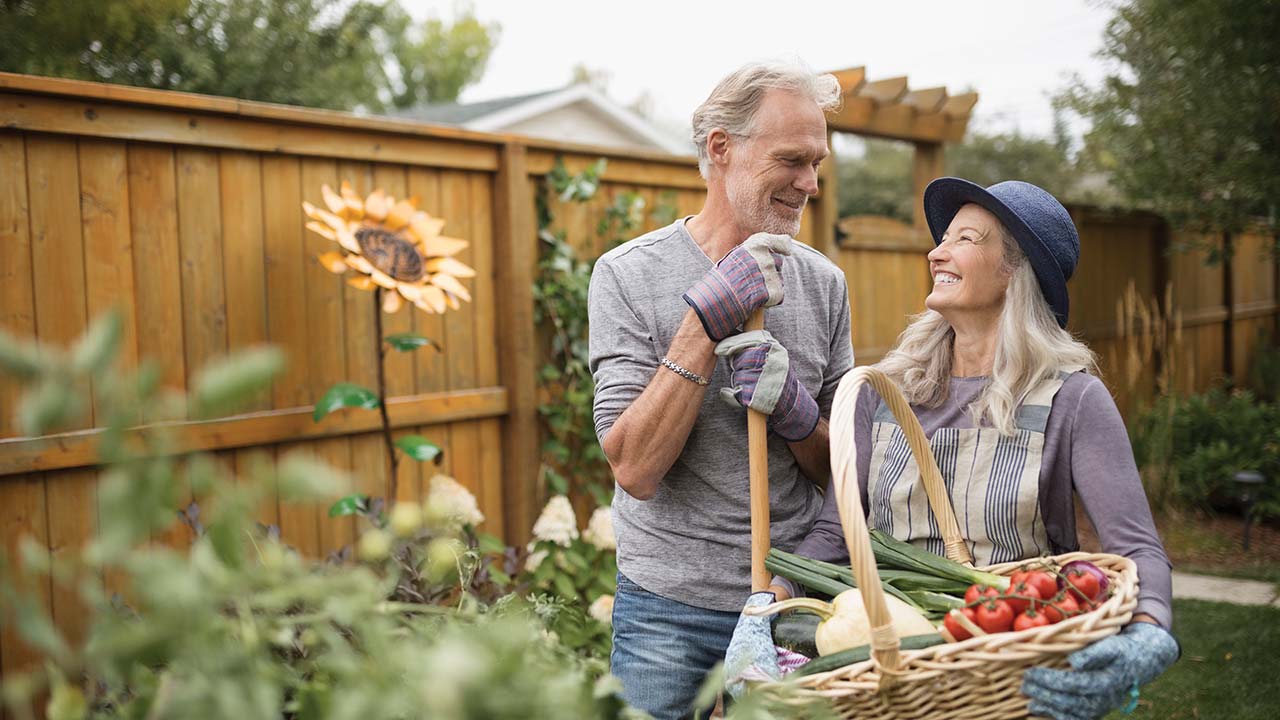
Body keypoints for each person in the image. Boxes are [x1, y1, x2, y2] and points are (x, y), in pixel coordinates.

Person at [764, 177, 1178, 719]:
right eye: (943, 239)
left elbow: (1136, 547)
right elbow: (837, 531)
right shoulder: (886, 393)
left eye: (967, 238)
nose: (937, 252)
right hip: (898, 672)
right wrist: (773, 597)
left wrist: (1149, 635)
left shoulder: (1071, 399)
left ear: (1016, 271)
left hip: (1013, 665)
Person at [588, 60, 854, 719]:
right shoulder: (626, 276)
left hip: (789, 601)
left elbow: (847, 471)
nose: (810, 183)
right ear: (720, 149)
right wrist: (700, 330)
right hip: (667, 610)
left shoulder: (823, 285)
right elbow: (635, 468)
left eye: (817, 163)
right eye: (792, 159)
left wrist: (796, 415)